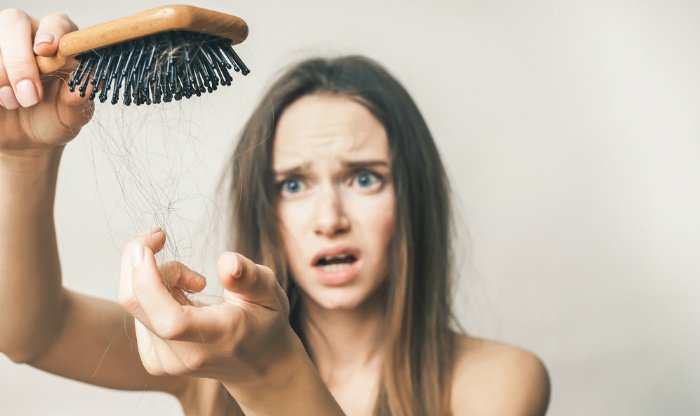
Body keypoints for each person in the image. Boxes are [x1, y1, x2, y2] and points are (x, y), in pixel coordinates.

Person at [0, 9, 551, 416]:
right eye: (293, 184)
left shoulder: (493, 384)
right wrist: (24, 156)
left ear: (413, 195)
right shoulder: (210, 370)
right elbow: (32, 333)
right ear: (265, 207)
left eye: (364, 178)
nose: (328, 217)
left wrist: (269, 374)